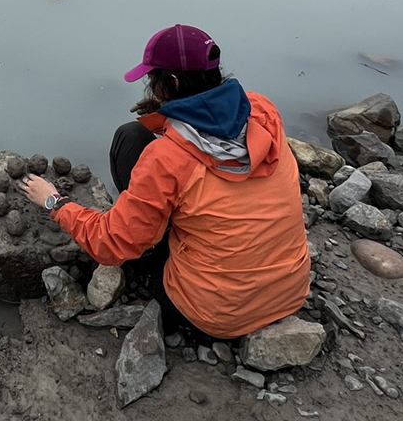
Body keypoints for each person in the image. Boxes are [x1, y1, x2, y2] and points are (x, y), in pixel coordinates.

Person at [20, 24, 310, 341]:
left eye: (153, 79)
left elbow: (109, 244)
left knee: (129, 140)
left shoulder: (167, 159)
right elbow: (214, 134)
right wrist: (167, 113)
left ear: (170, 82)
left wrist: (54, 202)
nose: (150, 85)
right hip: (290, 290)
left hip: (215, 314)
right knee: (142, 140)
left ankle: (148, 243)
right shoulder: (263, 111)